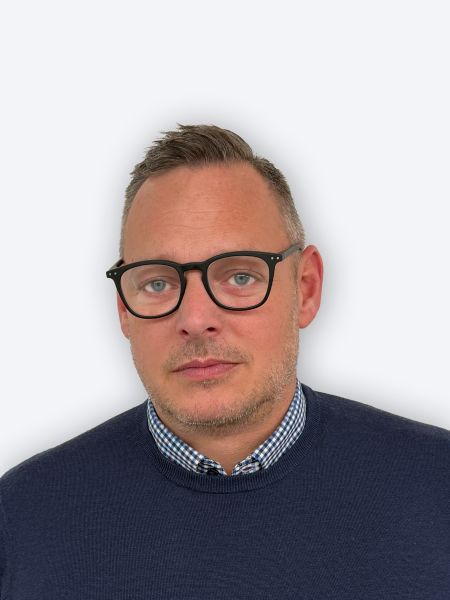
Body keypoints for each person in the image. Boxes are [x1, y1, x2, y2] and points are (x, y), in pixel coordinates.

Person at [0, 124, 448, 599]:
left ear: (306, 289)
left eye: (239, 276)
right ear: (124, 309)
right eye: (157, 283)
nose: (196, 319)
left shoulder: (438, 486)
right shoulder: (23, 516)